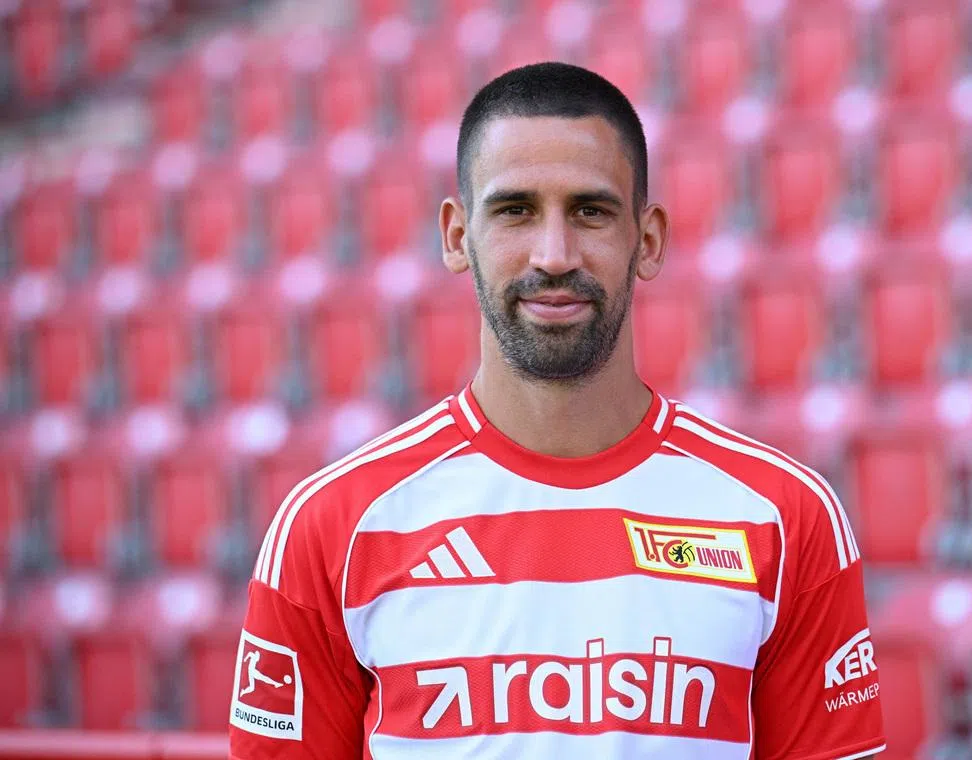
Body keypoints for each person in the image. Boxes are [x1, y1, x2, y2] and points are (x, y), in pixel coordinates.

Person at [230, 61, 885, 759]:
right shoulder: (331, 525)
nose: (553, 254)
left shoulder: (783, 517)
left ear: (649, 238)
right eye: (515, 210)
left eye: (590, 211)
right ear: (457, 236)